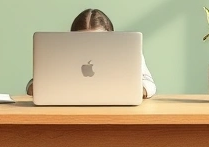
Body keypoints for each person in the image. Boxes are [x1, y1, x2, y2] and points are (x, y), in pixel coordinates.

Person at [25, 8, 156, 98]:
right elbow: (33, 84)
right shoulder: (62, 53)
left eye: (97, 41)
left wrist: (139, 89)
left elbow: (149, 84)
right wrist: (34, 87)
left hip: (115, 113)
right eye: (84, 41)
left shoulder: (127, 52)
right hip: (70, 114)